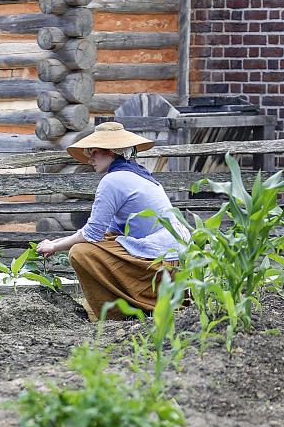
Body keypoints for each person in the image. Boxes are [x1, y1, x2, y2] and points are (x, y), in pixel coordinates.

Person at [36, 121, 189, 320]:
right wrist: (54, 243)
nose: (89, 158)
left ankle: (116, 314)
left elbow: (91, 235)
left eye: (94, 152)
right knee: (102, 242)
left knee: (80, 253)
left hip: (162, 261)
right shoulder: (136, 175)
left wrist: (54, 247)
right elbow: (104, 233)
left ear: (111, 151)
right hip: (174, 257)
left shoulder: (113, 180)